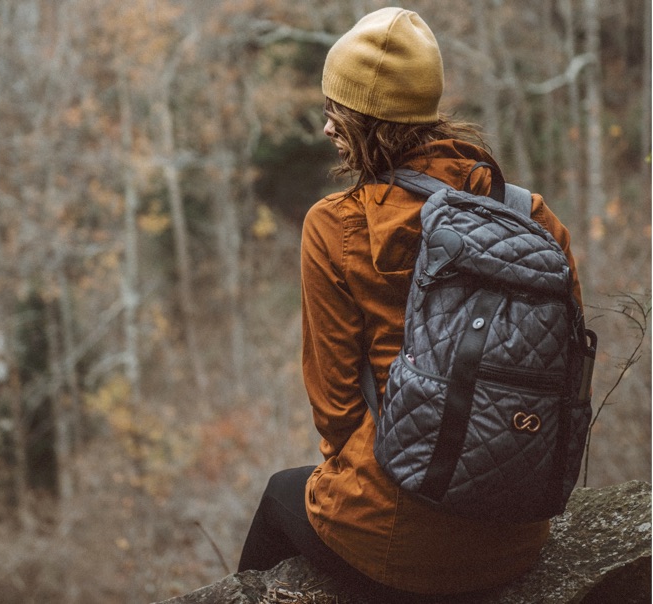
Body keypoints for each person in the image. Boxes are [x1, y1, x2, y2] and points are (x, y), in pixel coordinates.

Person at [238, 7, 583, 601]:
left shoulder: (336, 225)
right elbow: (567, 374)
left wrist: (370, 487)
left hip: (394, 531)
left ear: (369, 122)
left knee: (278, 496)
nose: (326, 128)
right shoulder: (532, 217)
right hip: (520, 533)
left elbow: (337, 410)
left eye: (335, 111)